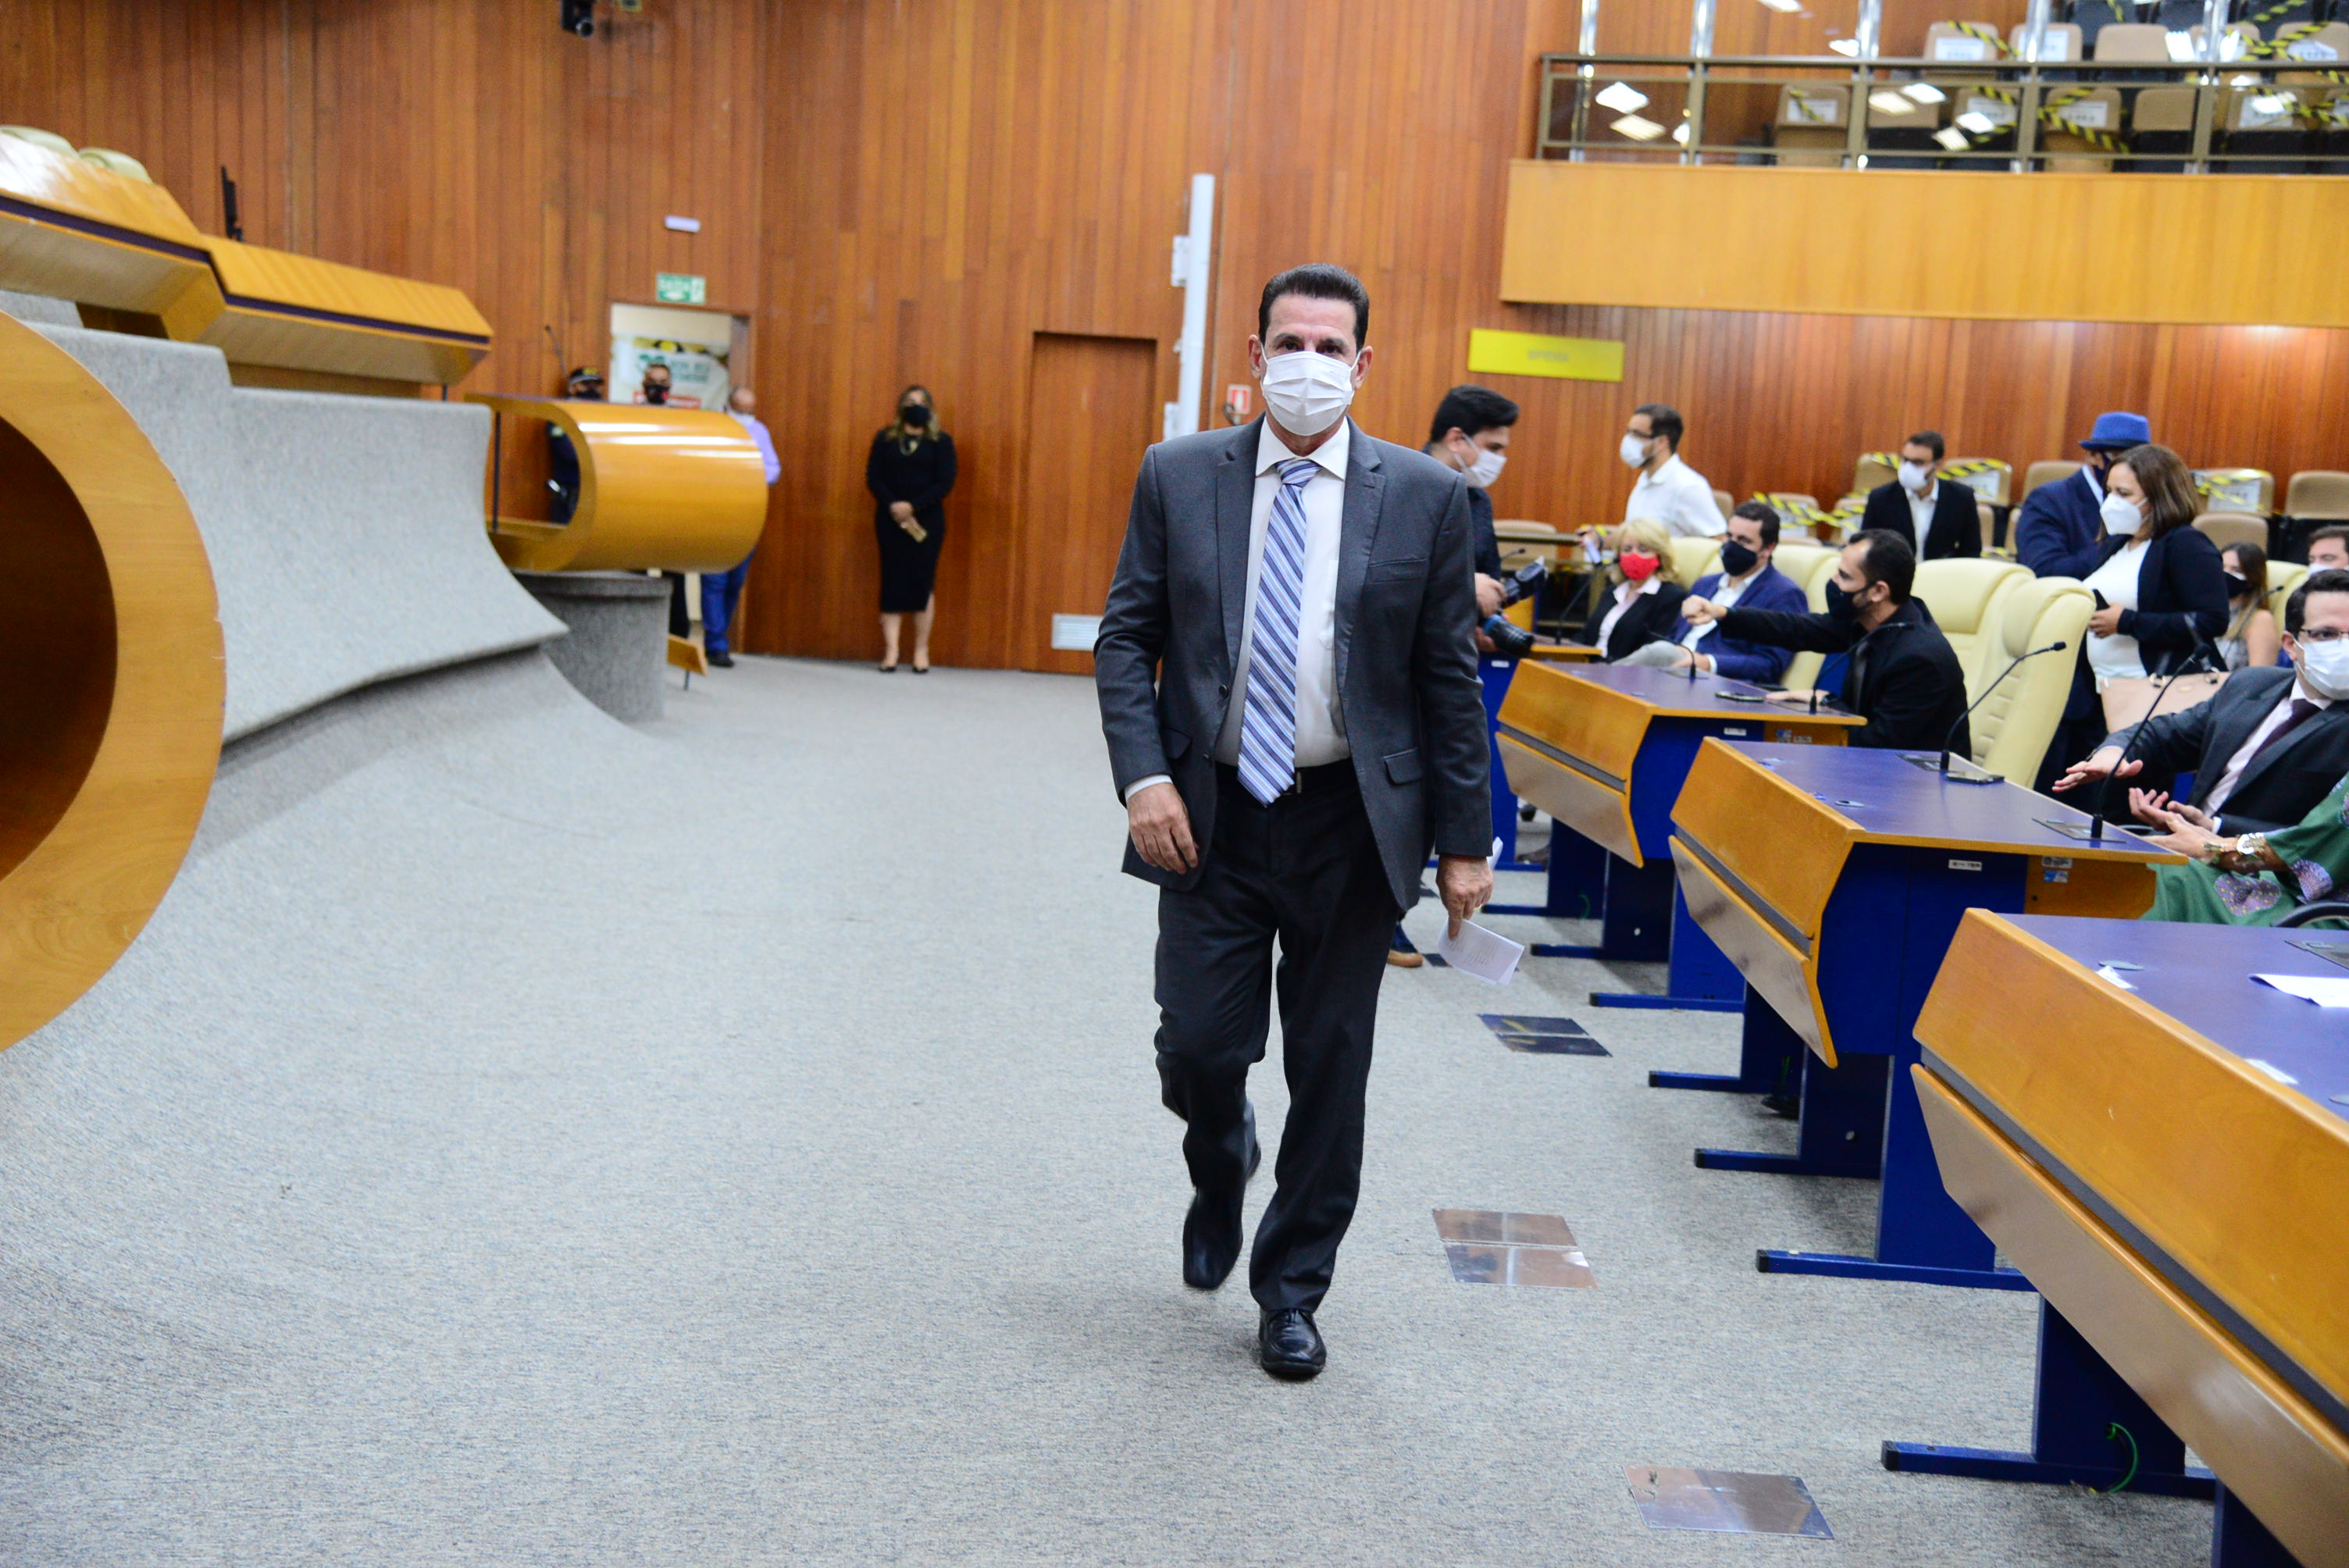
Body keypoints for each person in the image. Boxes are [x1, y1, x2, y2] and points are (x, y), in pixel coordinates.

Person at [1093, 263, 1491, 1381]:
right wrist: (1143, 779)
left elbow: (1446, 682)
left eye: (1328, 347)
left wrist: (1465, 840)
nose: (1306, 364)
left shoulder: (1424, 495)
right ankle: (1220, 1157)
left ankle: (1291, 1292)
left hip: (1351, 824)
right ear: (1255, 353)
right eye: (1289, 343)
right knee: (1197, 1049)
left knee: (1330, 1068)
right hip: (1206, 817)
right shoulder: (1179, 474)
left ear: (1362, 364)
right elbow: (1125, 639)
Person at [2053, 569, 2349, 837]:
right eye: (2327, 634)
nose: (2344, 647)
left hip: (2265, 872)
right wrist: (2115, 752)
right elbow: (2162, 734)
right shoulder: (2252, 684)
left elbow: (2328, 838)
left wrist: (2214, 830)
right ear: (2291, 645)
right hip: (2180, 848)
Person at [2039, 442, 2230, 788]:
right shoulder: (2117, 542)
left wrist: (2126, 622)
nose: (2111, 502)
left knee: (2126, 801)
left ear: (2159, 496)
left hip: (2150, 697)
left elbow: (2212, 619)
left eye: (2124, 494)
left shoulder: (2185, 543)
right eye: (2110, 491)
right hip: (2099, 694)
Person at [1684, 529, 1970, 751]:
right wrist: (1723, 613)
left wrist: (1828, 703)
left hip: (1918, 789)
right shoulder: (1871, 620)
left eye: (1844, 577)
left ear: (1878, 592)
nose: (1833, 581)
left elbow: (1879, 743)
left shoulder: (1919, 659)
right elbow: (1796, 628)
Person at [2134, 768, 2349, 926]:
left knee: (2164, 870)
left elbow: (2295, 852)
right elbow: (2303, 842)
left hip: (2326, 921)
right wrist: (2213, 839)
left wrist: (2209, 848)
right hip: (2311, 901)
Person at [1620, 501, 1808, 679]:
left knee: (1660, 652)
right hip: (1670, 672)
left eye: (1743, 541)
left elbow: (1771, 665)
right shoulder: (1705, 584)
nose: (1732, 546)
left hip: (1719, 683)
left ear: (1768, 548)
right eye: (1729, 536)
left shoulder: (1784, 594)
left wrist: (1709, 663)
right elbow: (1674, 637)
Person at [864, 384, 957, 672]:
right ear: (901, 407)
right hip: (890, 519)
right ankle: (891, 651)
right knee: (892, 579)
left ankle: (921, 650)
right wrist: (894, 505)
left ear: (930, 409)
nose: (914, 407)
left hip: (926, 521)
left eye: (920, 403)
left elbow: (945, 482)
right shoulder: (885, 438)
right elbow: (873, 477)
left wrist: (913, 506)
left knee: (922, 581)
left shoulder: (941, 441)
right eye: (909, 402)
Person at [1423, 383, 1517, 624]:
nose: (1501, 459)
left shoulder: (1479, 500)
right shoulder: (1400, 487)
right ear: (1456, 439)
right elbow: (1386, 579)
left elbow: (1489, 575)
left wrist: (1486, 622)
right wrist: (1464, 584)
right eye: (1493, 448)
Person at [700, 386, 779, 668]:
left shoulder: (760, 431)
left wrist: (746, 472)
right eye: (741, 411)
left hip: (747, 517)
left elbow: (773, 470)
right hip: (715, 515)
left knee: (735, 582)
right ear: (728, 407)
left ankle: (718, 635)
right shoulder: (713, 428)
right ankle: (716, 644)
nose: (746, 416)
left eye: (750, 411)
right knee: (714, 581)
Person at [2015, 411, 2148, 579]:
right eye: (2119, 457)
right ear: (2092, 456)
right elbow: (2045, 570)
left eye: (2140, 460)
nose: (2129, 467)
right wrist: (2119, 541)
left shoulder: (2147, 503)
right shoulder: (2049, 500)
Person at [1859, 430, 1982, 561]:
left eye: (1918, 463)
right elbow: (1867, 548)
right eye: (1905, 460)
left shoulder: (1962, 497)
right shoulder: (1880, 498)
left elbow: (1971, 550)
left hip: (1941, 571)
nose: (1908, 468)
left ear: (1938, 465)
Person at [1579, 517, 1687, 661]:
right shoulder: (1612, 591)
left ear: (1660, 556)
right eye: (1627, 549)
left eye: (1643, 550)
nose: (1634, 556)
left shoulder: (1671, 597)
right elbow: (1585, 637)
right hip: (1586, 666)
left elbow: (1651, 654)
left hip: (1624, 671)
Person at [1620, 402, 1723, 539]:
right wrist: (1600, 539)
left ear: (1662, 442)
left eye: (1637, 434)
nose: (1628, 440)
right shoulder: (1646, 479)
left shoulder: (1687, 486)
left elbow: (1718, 539)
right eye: (1628, 432)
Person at [547, 366, 603, 526]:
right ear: (572, 388)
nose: (592, 389)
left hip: (599, 492)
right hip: (570, 493)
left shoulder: (604, 417)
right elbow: (570, 453)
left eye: (596, 385)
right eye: (586, 384)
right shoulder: (561, 415)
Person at [2218, 541, 2280, 672]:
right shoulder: (2210, 612)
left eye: (2236, 570)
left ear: (2252, 578)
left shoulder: (2260, 619)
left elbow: (2259, 677)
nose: (2225, 574)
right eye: (2222, 567)